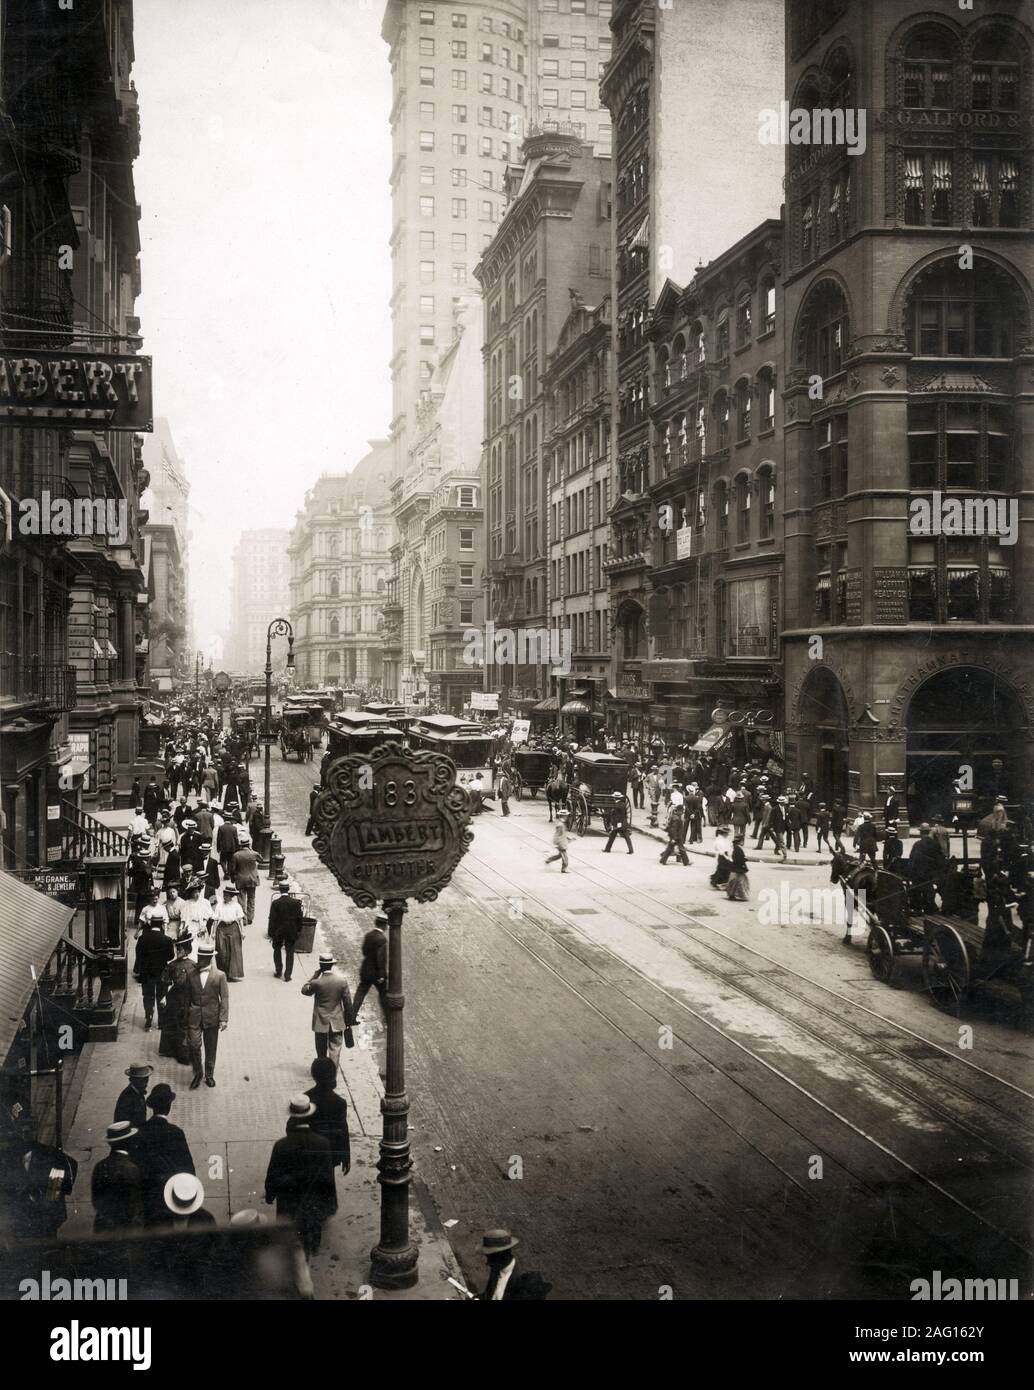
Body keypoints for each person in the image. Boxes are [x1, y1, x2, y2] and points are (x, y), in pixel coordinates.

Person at [264, 1095, 337, 1260]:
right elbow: (328, 1178)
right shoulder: (322, 1144)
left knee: (289, 1237)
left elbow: (273, 1173)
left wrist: (270, 1194)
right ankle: (311, 1250)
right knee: (310, 1232)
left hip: (289, 1201)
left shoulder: (281, 1145)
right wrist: (330, 1204)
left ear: (291, 1117)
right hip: (313, 1201)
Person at [135, 1083, 195, 1225]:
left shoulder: (140, 1131)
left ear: (152, 1107)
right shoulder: (175, 1132)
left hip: (147, 1195)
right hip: (169, 1195)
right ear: (168, 1107)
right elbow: (187, 1168)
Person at [9, 1120, 78, 1240]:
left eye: (27, 1132)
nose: (24, 1137)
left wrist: (53, 1194)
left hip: (47, 1215)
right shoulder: (12, 1157)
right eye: (21, 1133)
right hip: (24, 1217)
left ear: (35, 1133)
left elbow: (70, 1165)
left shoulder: (49, 1153)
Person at [186, 943, 229, 1089]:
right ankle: (198, 1073)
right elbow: (186, 998)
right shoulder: (191, 975)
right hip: (194, 1017)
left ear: (209, 958)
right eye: (198, 956)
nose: (199, 959)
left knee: (211, 1047)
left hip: (212, 1017)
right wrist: (185, 1016)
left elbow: (225, 998)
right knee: (194, 1045)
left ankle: (209, 1075)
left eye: (202, 957)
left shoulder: (220, 976)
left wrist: (223, 1019)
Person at [301, 953, 353, 1063]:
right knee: (335, 1049)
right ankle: (332, 1074)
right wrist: (348, 1020)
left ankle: (322, 1072)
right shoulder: (342, 981)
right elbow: (348, 1003)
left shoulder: (316, 983)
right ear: (332, 965)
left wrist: (314, 976)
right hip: (337, 1021)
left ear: (320, 965)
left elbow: (304, 991)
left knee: (321, 1050)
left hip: (320, 1021)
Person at [92, 1122, 143, 1232]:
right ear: (128, 1142)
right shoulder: (131, 1168)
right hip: (125, 1229)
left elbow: (96, 1200)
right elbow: (134, 1205)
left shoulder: (100, 1166)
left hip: (104, 1227)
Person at [477, 1229, 552, 1301]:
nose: (487, 1263)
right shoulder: (496, 1268)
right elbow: (488, 1296)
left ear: (500, 1254)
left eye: (490, 1257)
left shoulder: (525, 1281)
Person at [305, 1058, 350, 1175]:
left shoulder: (306, 1098)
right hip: (330, 1150)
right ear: (333, 1076)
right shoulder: (339, 1102)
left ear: (313, 1075)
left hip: (310, 1151)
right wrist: (346, 1156)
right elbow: (343, 1129)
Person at [159, 934, 197, 1063]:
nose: (178, 952)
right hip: (174, 998)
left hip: (187, 998)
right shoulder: (172, 965)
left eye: (180, 949)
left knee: (184, 1024)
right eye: (177, 949)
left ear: (187, 950)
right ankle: (170, 1050)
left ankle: (183, 1053)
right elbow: (166, 982)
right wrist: (164, 996)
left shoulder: (193, 965)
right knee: (172, 1021)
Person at [134, 917, 174, 1032]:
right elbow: (170, 956)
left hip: (147, 972)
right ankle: (161, 1022)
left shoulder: (142, 938)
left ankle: (149, 1019)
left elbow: (138, 954)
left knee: (148, 996)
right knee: (161, 995)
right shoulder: (167, 939)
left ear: (150, 924)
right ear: (162, 925)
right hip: (161, 972)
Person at [351, 915, 388, 1024]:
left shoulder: (369, 935)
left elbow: (364, 951)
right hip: (376, 973)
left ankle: (351, 1016)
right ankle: (386, 1018)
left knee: (360, 993)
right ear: (384, 925)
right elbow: (380, 958)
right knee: (383, 994)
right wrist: (381, 974)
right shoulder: (382, 939)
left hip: (366, 969)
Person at [269, 879, 303, 982]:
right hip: (291, 930)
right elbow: (299, 918)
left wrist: (271, 933)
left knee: (277, 950)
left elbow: (272, 919)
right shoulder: (296, 903)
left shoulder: (275, 903)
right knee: (290, 953)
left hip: (278, 931)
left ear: (279, 889)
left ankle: (278, 971)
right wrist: (298, 930)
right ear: (288, 889)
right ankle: (288, 975)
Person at [214, 884, 246, 980]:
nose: (224, 897)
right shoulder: (219, 905)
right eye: (224, 895)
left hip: (233, 928)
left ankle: (232, 974)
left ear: (231, 896)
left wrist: (242, 932)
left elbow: (240, 919)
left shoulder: (237, 906)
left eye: (227, 895)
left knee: (233, 952)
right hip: (221, 928)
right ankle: (223, 974)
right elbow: (216, 919)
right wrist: (213, 932)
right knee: (222, 951)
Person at [231, 833, 261, 926]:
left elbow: (232, 869)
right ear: (248, 845)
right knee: (251, 898)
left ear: (241, 845)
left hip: (240, 879)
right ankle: (250, 917)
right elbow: (262, 859)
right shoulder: (254, 853)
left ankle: (243, 919)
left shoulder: (236, 855)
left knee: (241, 900)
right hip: (252, 879)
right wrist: (252, 850)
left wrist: (233, 879)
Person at [115, 1061, 152, 1133]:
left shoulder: (138, 1092)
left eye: (146, 1079)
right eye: (141, 1080)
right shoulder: (127, 1098)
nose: (145, 1083)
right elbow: (122, 1123)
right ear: (132, 1080)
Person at [660, 798, 689, 867]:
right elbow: (674, 829)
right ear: (679, 811)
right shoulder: (677, 819)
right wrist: (674, 838)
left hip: (675, 836)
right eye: (682, 811)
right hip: (676, 836)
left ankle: (663, 860)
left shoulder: (675, 817)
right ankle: (686, 861)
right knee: (680, 848)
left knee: (670, 849)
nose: (682, 813)